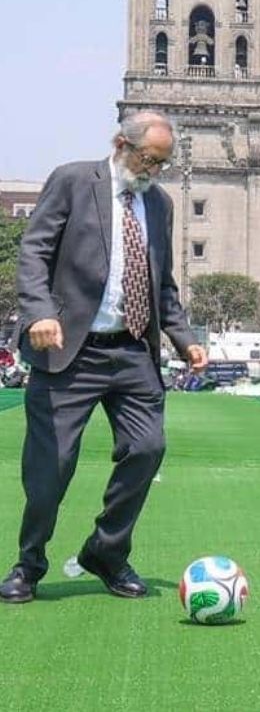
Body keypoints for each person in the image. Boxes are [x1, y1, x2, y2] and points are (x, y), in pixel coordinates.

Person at [1, 112, 207, 604]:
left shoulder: (159, 204)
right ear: (121, 144)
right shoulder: (74, 181)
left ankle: (106, 552)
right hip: (68, 352)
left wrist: (183, 338)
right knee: (51, 467)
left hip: (133, 350)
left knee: (147, 448)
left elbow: (163, 284)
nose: (154, 171)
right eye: (149, 160)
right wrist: (38, 313)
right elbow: (35, 252)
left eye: (162, 164)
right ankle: (29, 564)